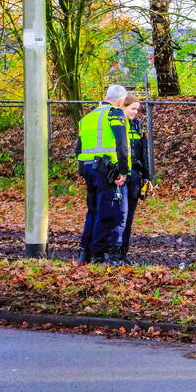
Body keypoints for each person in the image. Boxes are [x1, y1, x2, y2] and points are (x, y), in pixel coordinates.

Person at [75, 84, 131, 265]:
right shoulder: (115, 113)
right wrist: (123, 171)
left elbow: (78, 148)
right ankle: (98, 256)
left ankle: (85, 252)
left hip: (87, 168)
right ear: (121, 100)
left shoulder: (87, 118)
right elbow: (122, 145)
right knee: (107, 212)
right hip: (106, 170)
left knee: (92, 211)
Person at [119, 94, 153, 262]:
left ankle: (122, 254)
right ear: (123, 107)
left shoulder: (138, 126)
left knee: (128, 217)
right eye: (132, 109)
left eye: (137, 109)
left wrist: (147, 178)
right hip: (118, 176)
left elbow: (144, 153)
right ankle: (112, 253)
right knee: (119, 216)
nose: (135, 112)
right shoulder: (116, 126)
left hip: (134, 176)